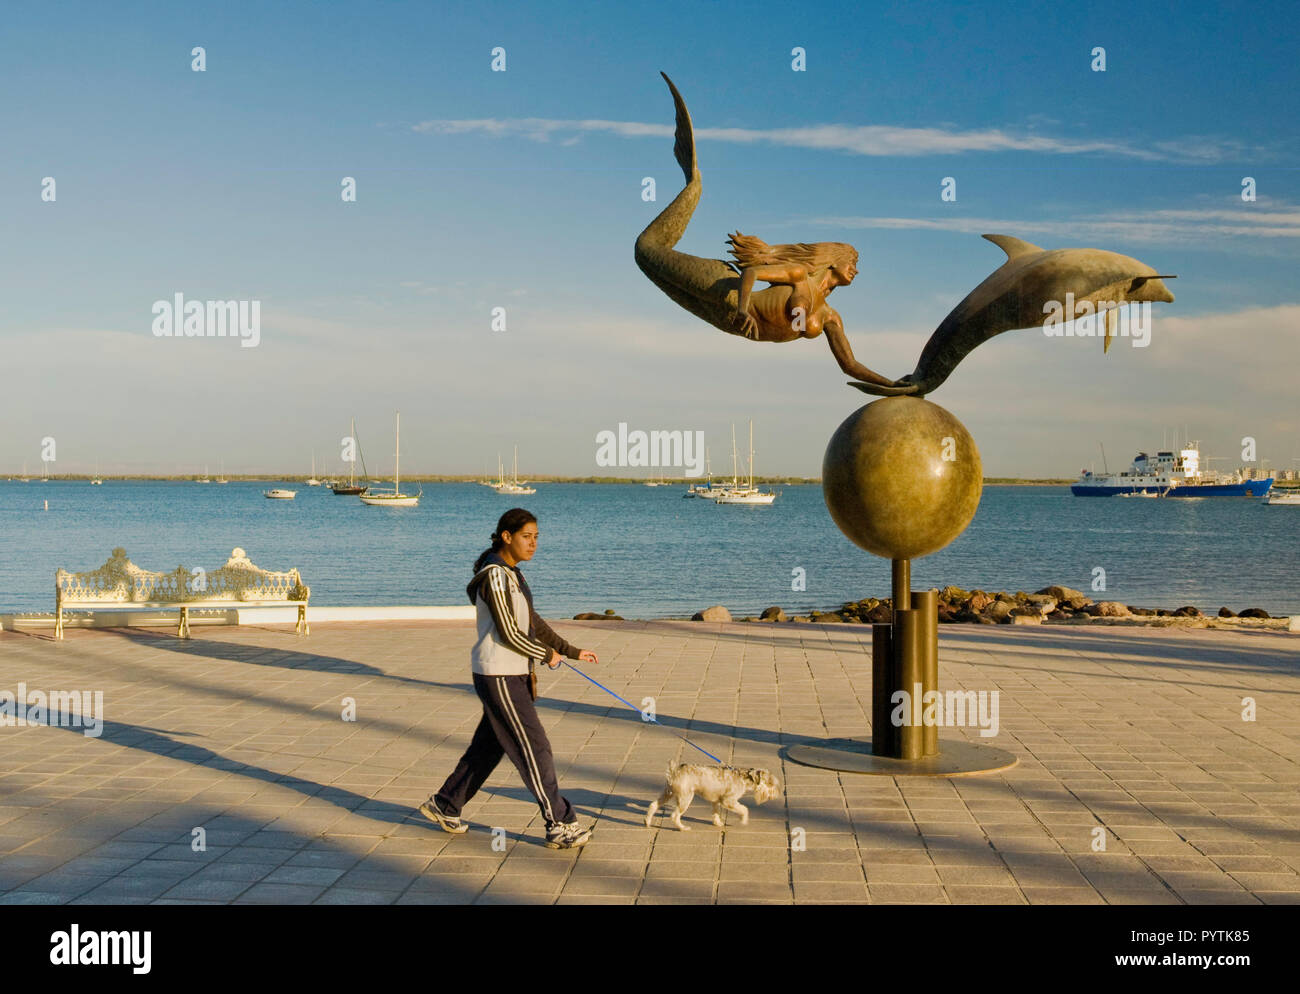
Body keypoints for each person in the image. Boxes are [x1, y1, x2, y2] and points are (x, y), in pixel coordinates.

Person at [420, 508, 600, 849]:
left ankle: (445, 804)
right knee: (535, 747)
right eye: (526, 537)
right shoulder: (494, 576)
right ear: (507, 536)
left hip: (512, 674)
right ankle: (560, 823)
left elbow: (532, 624)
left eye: (536, 538)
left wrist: (572, 650)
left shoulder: (513, 575)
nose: (533, 544)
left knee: (488, 748)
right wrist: (547, 655)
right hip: (498, 674)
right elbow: (508, 634)